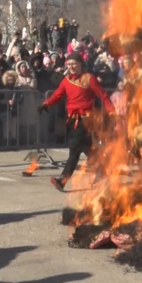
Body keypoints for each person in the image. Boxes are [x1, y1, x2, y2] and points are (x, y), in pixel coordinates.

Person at [38, 52, 115, 191]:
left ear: (80, 64)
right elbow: (57, 95)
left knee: (74, 149)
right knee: (88, 149)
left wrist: (112, 111)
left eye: (74, 64)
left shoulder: (89, 78)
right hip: (72, 120)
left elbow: (103, 96)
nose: (71, 67)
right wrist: (46, 104)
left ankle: (63, 180)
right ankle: (103, 171)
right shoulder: (67, 80)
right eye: (69, 64)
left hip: (86, 120)